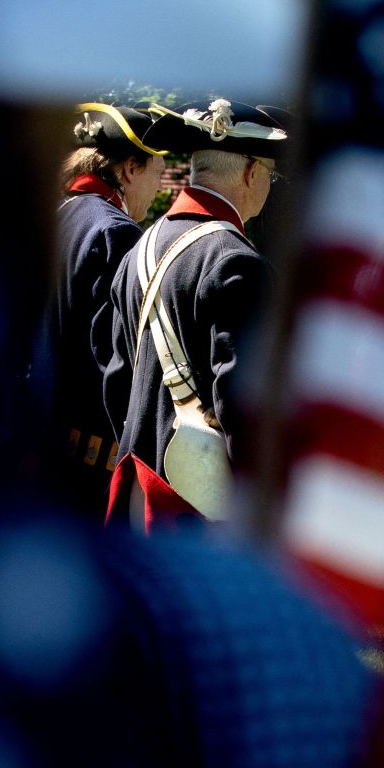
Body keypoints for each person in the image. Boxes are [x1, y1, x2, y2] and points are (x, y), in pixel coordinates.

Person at [102, 98, 288, 523]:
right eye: (269, 174)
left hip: (136, 495)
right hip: (199, 516)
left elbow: (116, 383)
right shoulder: (236, 262)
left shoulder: (137, 252)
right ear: (250, 171)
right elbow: (243, 409)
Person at [45, 102, 167, 521]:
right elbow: (113, 358)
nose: (158, 188)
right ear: (131, 169)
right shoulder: (115, 231)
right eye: (157, 171)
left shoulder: (58, 214)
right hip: (88, 458)